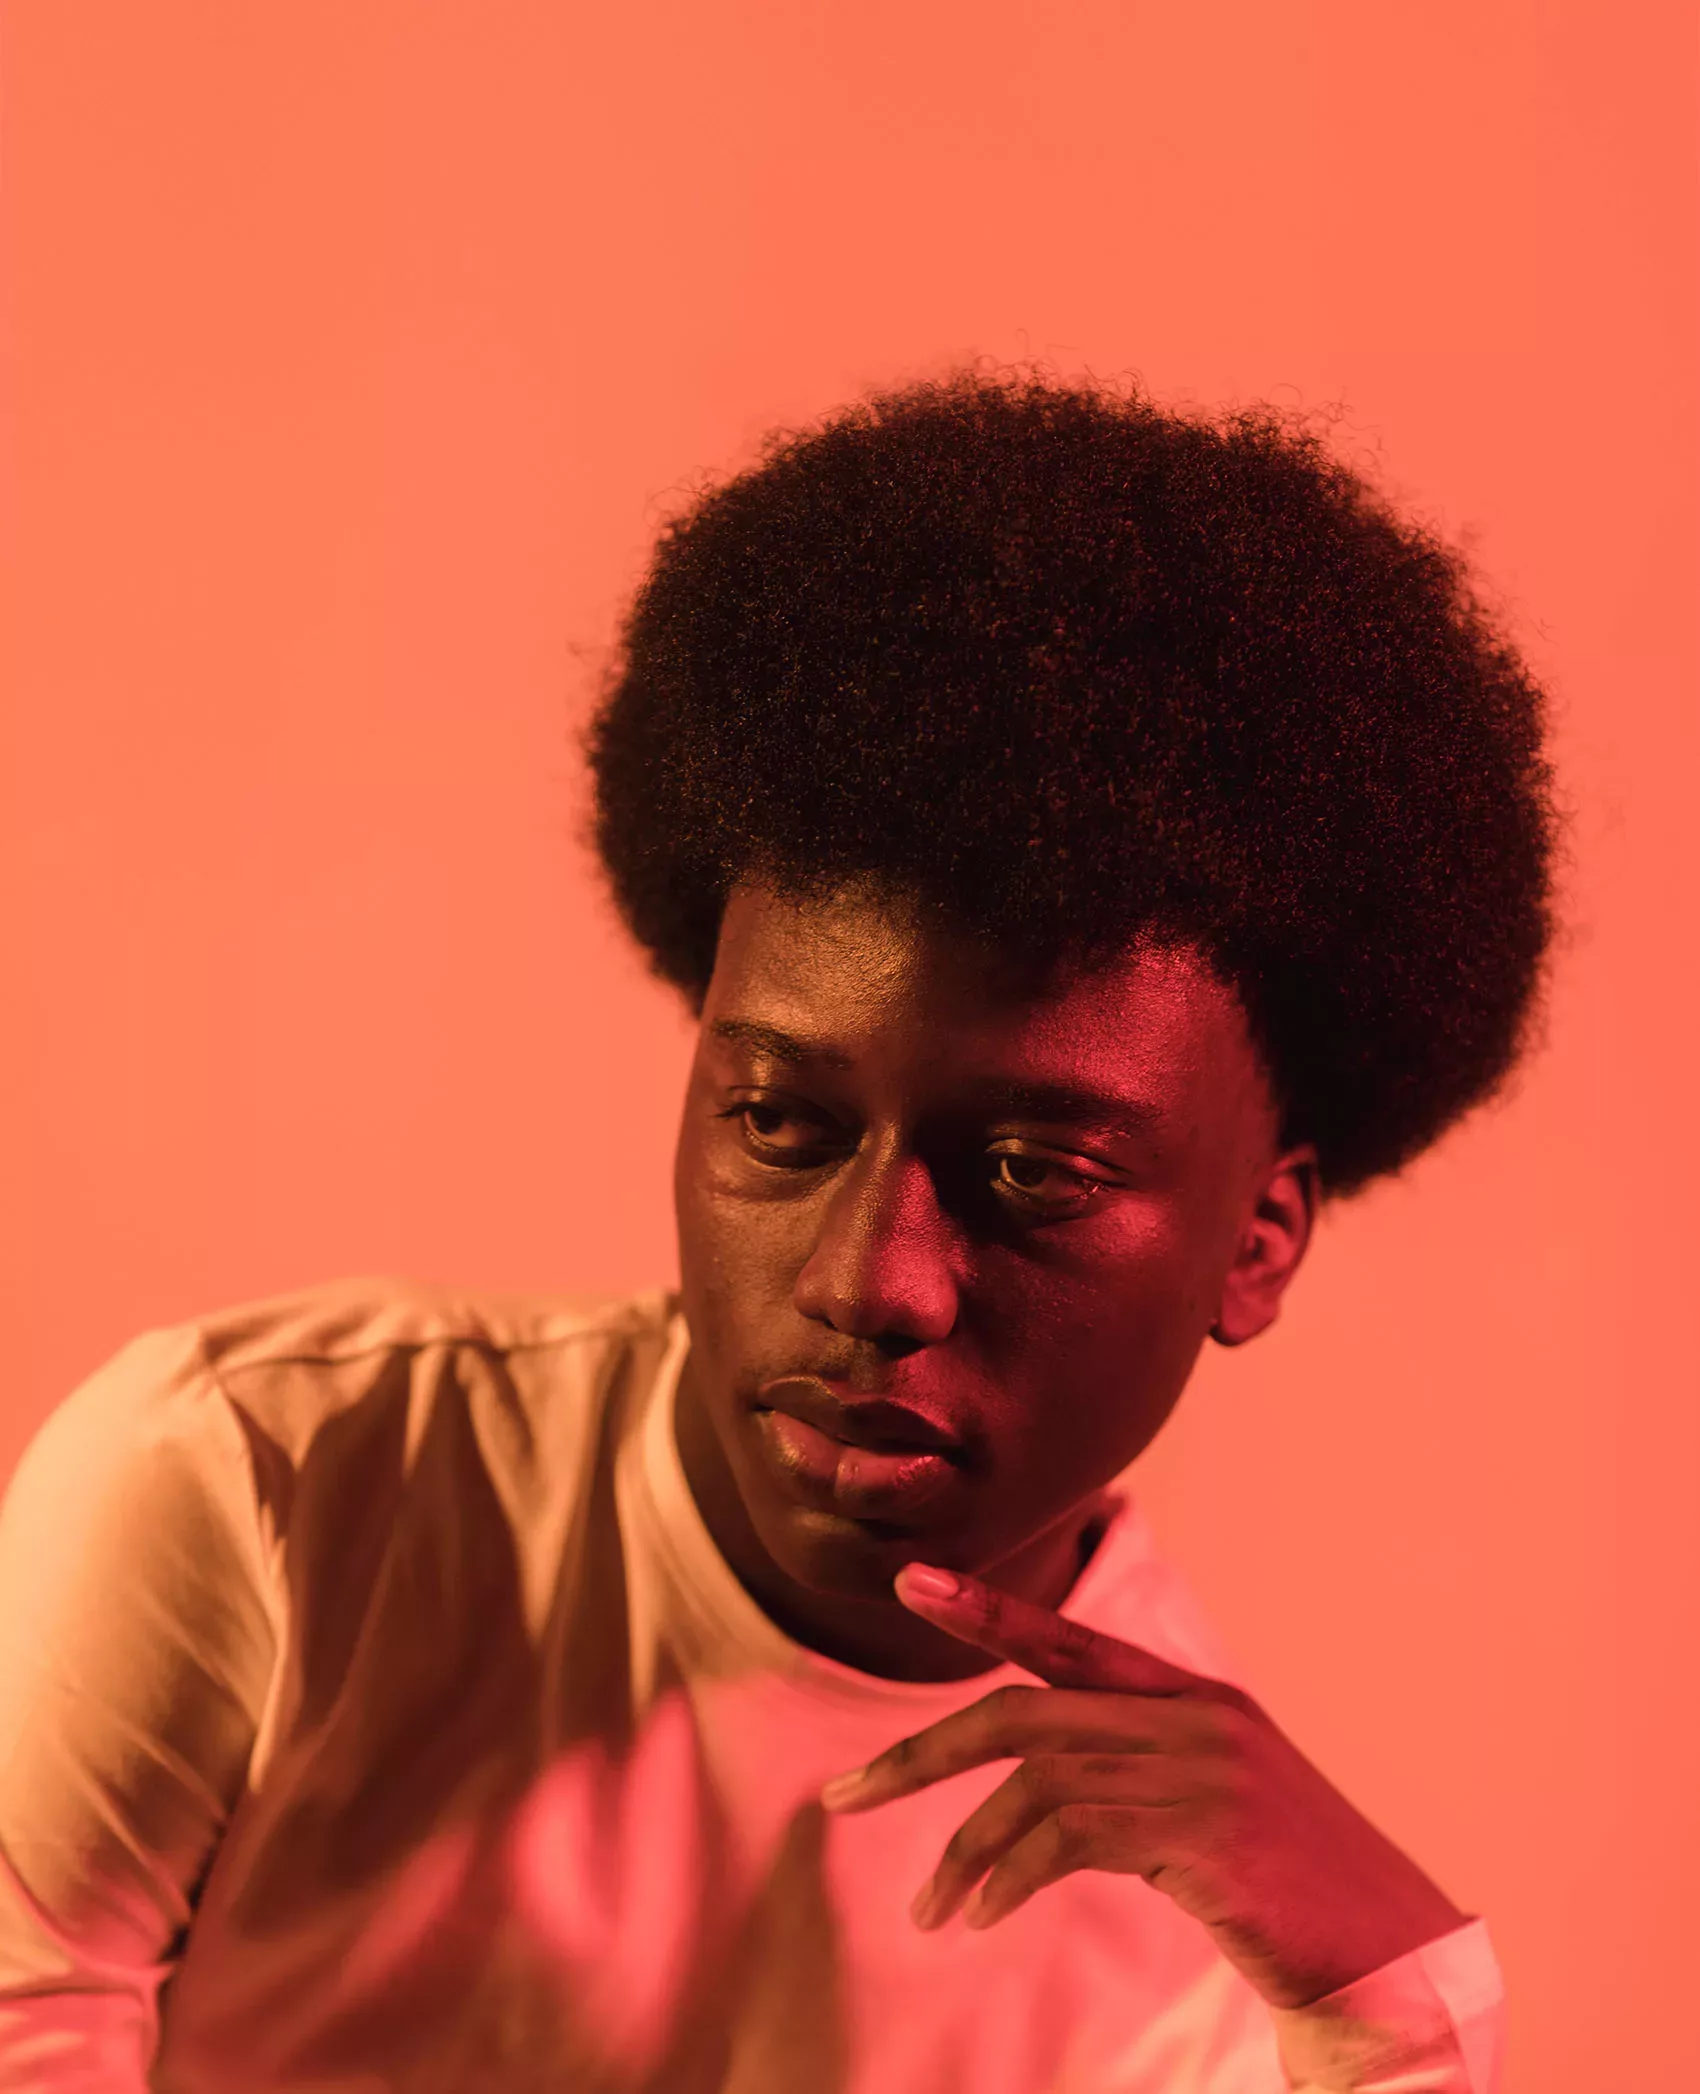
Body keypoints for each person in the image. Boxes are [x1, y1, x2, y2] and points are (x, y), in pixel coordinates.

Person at [0, 369, 1554, 2091]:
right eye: (780, 1123)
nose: (864, 1278)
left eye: (1033, 1173)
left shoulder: (1216, 1949)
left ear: (1256, 1243)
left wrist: (1400, 2005)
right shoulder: (266, 1484)